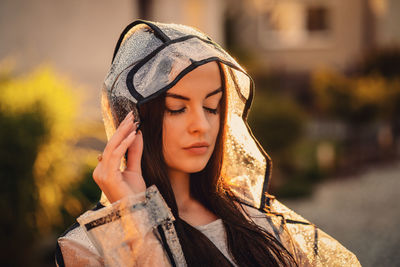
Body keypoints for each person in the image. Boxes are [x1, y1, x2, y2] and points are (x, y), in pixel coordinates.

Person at [55, 20, 361, 267]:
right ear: (132, 120)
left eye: (212, 107)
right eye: (177, 108)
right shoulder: (89, 248)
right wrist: (136, 218)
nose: (201, 125)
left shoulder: (253, 218)